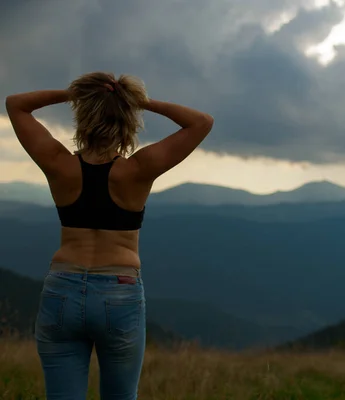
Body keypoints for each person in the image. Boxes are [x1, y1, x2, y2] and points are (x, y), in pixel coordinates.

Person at [4, 71, 214, 400]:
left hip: (62, 289)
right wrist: (140, 101)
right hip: (119, 291)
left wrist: (76, 93)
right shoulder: (137, 170)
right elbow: (201, 122)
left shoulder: (58, 164)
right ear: (127, 121)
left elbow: (16, 105)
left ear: (83, 117)